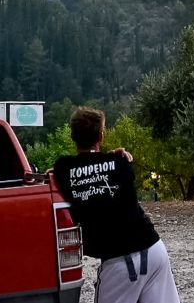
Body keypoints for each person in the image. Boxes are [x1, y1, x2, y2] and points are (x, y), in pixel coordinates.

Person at [53, 107, 180, 303]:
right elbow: (112, 174)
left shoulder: (63, 169)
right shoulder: (121, 162)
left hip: (118, 262)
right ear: (101, 137)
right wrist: (115, 156)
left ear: (72, 137)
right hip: (153, 249)